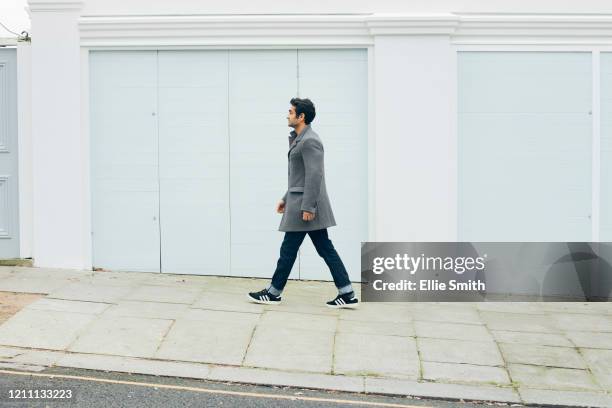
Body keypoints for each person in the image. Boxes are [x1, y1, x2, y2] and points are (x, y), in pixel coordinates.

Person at [247, 98, 358, 309]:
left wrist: (308, 207)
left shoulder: (310, 141)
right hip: (300, 203)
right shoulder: (300, 139)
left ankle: (273, 292)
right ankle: (347, 293)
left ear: (301, 117)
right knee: (322, 248)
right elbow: (299, 177)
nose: (287, 115)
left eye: (290, 112)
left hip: (306, 208)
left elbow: (314, 176)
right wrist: (285, 198)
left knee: (291, 250)